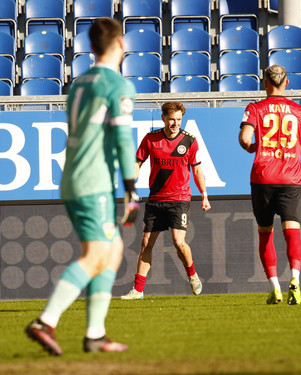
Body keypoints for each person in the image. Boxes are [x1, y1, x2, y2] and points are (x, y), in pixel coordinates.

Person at [25, 18, 139, 355]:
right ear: (121, 44)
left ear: (91, 48)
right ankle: (46, 321)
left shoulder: (79, 83)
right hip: (94, 182)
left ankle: (95, 334)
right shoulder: (117, 85)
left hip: (73, 178)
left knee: (113, 251)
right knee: (95, 256)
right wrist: (131, 189)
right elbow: (121, 138)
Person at [238, 65, 301, 305]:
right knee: (292, 230)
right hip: (290, 179)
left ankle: (275, 289)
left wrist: (254, 147)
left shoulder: (255, 108)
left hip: (263, 177)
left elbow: (244, 138)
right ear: (287, 83)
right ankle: (295, 278)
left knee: (265, 234)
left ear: (265, 83)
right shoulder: (298, 111)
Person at [121, 101, 211, 300]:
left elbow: (196, 169)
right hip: (156, 198)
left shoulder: (189, 141)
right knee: (146, 243)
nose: (175, 123)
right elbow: (137, 163)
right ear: (163, 118)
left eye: (179, 119)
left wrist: (204, 195)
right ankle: (138, 290)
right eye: (172, 119)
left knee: (179, 242)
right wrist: (131, 180)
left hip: (179, 198)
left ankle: (192, 274)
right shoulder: (151, 139)